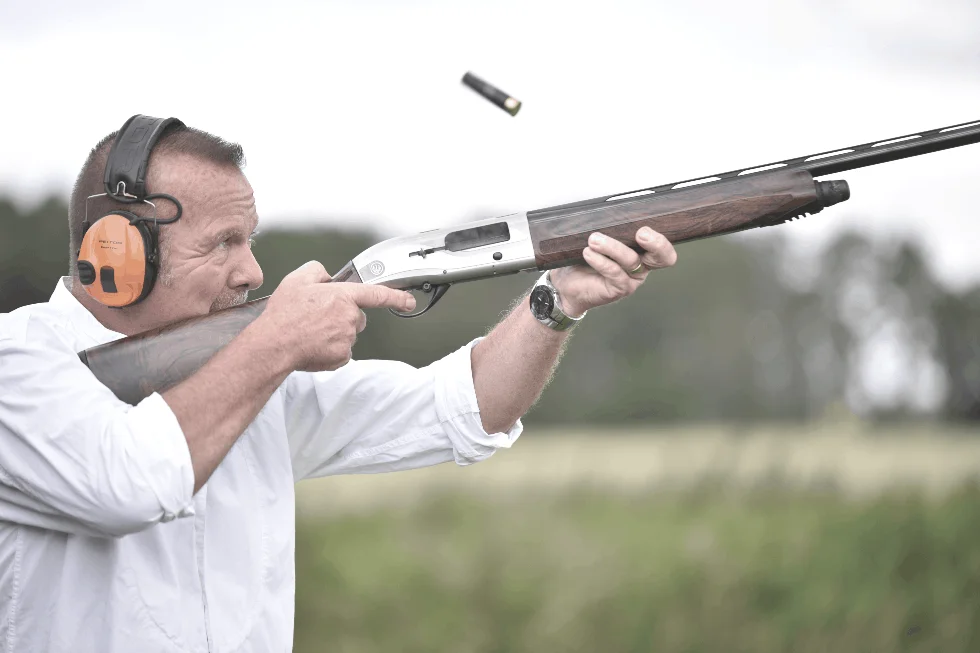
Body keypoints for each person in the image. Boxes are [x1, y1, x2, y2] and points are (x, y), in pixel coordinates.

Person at [0, 117, 677, 652]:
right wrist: (277, 341)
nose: (253, 272)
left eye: (251, 238)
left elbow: (467, 405)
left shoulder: (246, 371)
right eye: (222, 243)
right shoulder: (18, 364)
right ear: (114, 252)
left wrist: (556, 299)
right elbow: (130, 482)